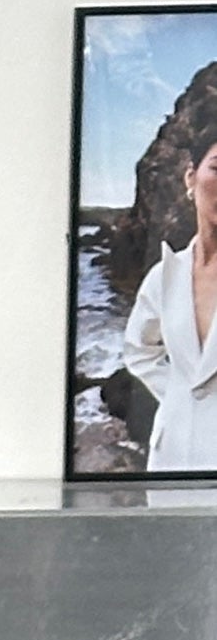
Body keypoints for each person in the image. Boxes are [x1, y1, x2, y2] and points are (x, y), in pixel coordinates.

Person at [122, 122, 217, 472]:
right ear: (191, 177)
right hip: (171, 457)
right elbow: (138, 350)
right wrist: (180, 396)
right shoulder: (165, 275)